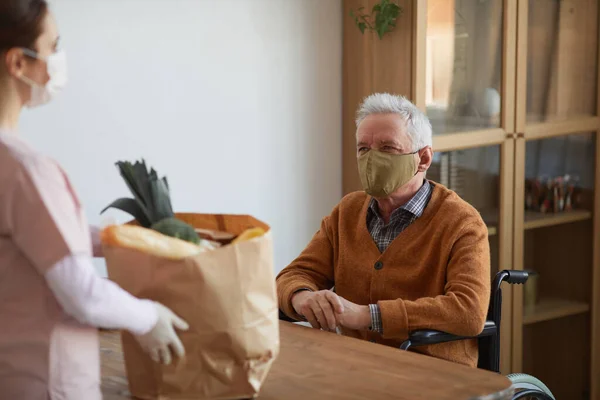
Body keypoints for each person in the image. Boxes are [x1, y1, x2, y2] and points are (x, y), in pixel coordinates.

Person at [0, 1, 188, 398]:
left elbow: (30, 239)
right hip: (46, 380)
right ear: (18, 63)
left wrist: (120, 239)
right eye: (53, 47)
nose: (58, 60)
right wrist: (148, 316)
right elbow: (82, 293)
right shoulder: (27, 170)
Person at [276, 93, 491, 367]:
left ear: (423, 158)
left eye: (387, 148)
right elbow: (294, 275)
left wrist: (368, 316)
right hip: (353, 366)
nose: (371, 159)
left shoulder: (462, 222)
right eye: (363, 149)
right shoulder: (348, 211)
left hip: (432, 374)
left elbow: (468, 312)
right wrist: (303, 298)